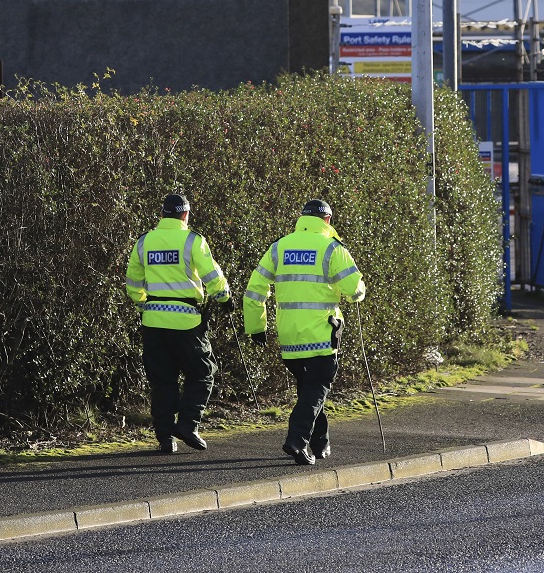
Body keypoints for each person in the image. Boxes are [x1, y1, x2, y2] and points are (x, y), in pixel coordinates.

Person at [243, 199, 365, 466]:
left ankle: (321, 443)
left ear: (302, 219)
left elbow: (255, 289)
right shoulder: (332, 248)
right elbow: (355, 290)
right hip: (321, 335)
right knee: (316, 390)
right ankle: (297, 442)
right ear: (328, 220)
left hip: (289, 338)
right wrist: (358, 292)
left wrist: (256, 326)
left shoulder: (279, 247)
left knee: (309, 391)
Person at [124, 193, 230, 453]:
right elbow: (212, 275)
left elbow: (132, 283)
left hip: (153, 321)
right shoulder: (193, 240)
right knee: (203, 372)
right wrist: (224, 297)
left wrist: (144, 306)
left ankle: (165, 439)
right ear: (185, 214)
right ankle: (188, 424)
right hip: (186, 321)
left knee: (162, 380)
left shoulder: (144, 242)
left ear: (162, 214)